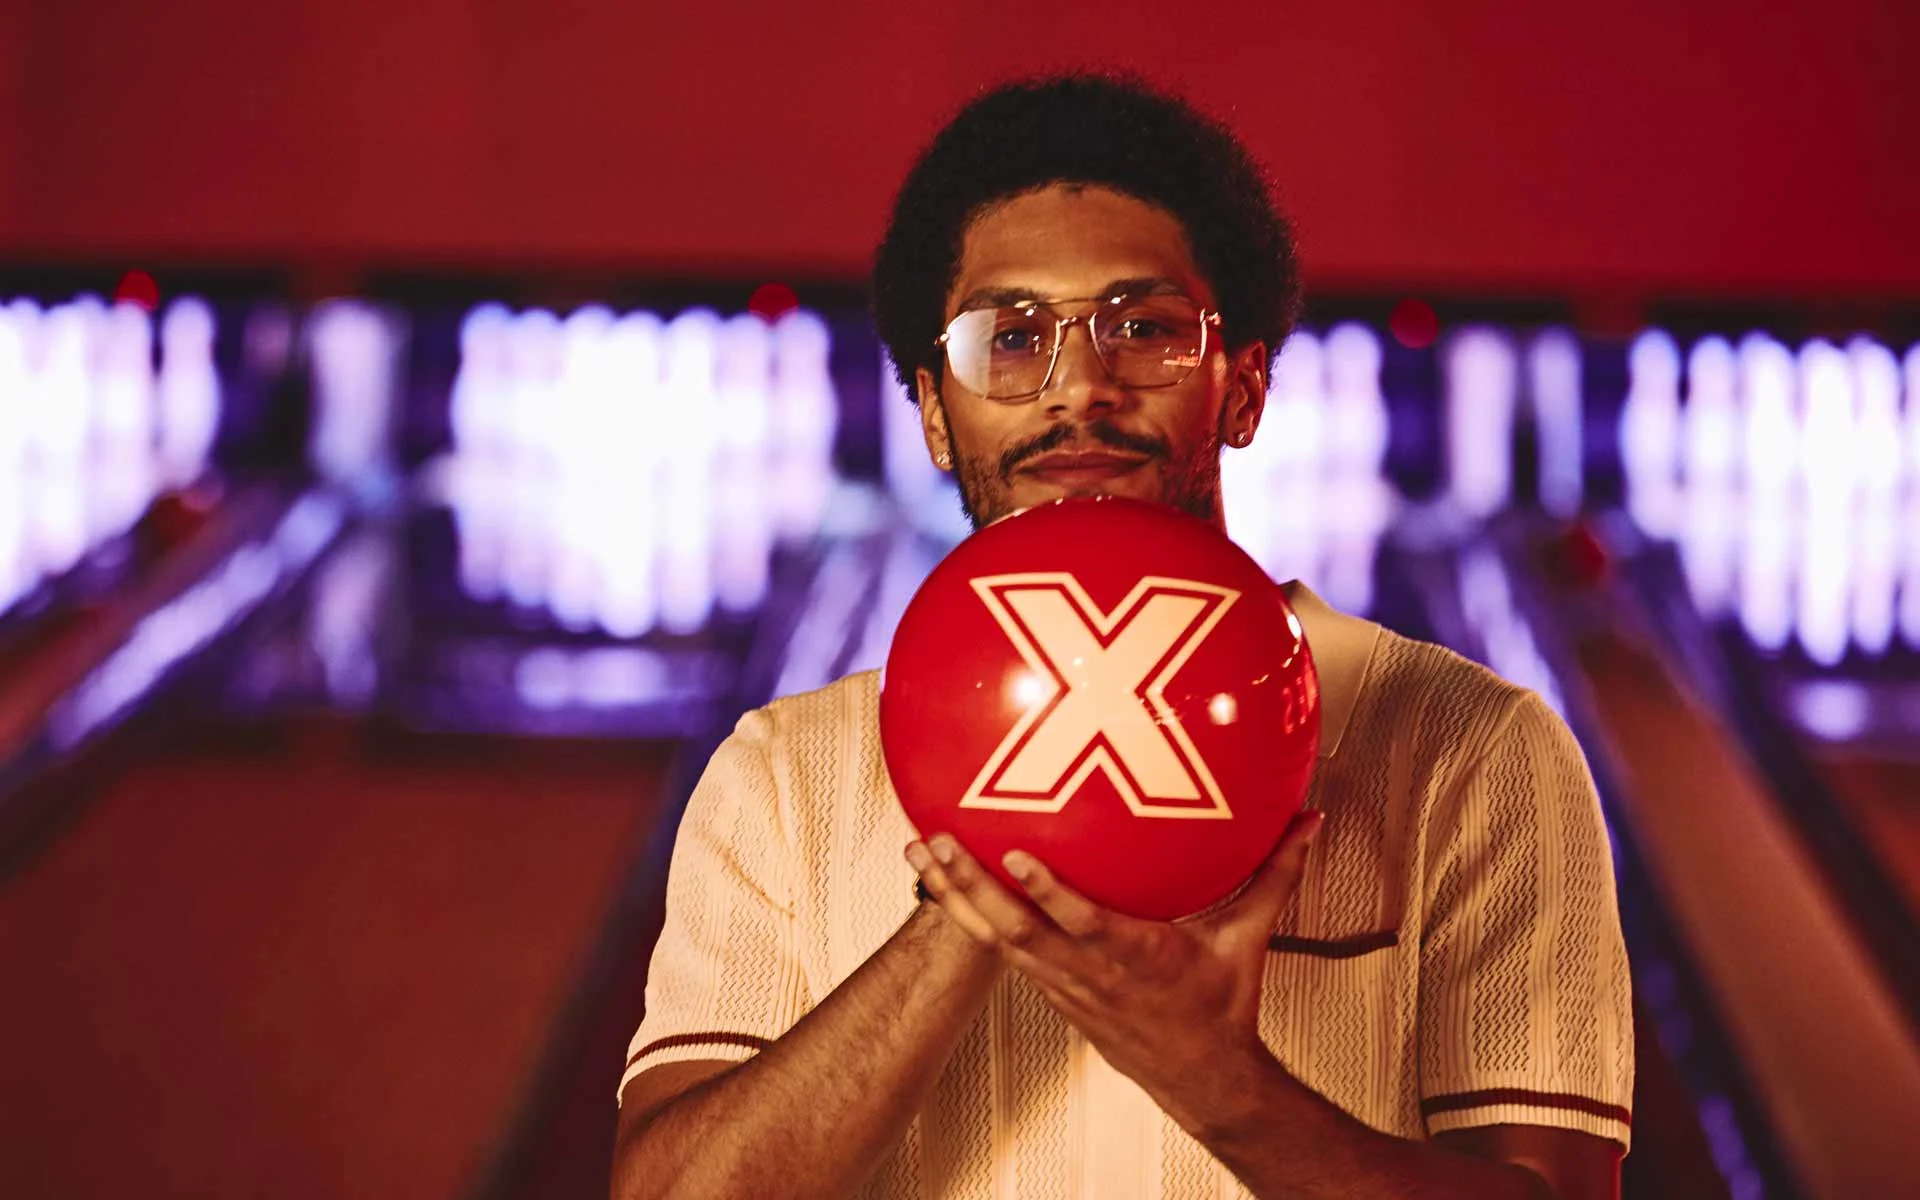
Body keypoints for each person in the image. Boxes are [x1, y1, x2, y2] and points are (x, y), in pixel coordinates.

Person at [610, 74, 1633, 1200]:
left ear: (1242, 390)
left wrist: (1217, 1081)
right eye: (1011, 338)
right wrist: (972, 907)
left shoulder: (1475, 749)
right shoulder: (783, 772)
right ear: (934, 417)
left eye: (1143, 329)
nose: (1078, 389)